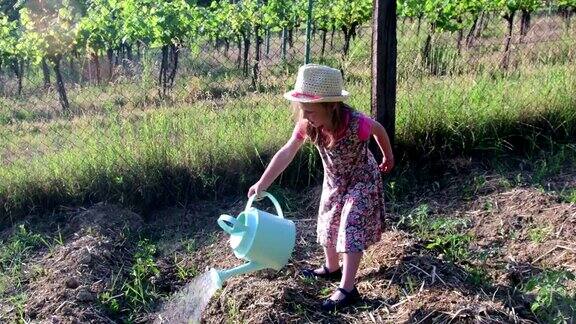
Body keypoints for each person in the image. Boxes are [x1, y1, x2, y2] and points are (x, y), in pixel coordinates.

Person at [247, 64, 394, 312]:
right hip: (335, 181)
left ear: (331, 107)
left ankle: (348, 289)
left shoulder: (357, 123)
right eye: (303, 111)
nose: (306, 117)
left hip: (362, 180)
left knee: (350, 225)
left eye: (311, 111)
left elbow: (379, 130)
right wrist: (262, 183)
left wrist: (387, 156)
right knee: (328, 222)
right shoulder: (308, 125)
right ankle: (332, 267)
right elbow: (287, 153)